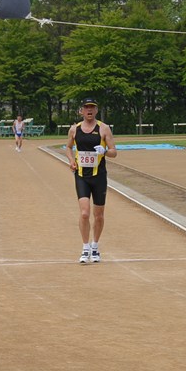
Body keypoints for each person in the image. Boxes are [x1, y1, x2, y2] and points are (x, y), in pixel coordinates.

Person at [65, 98, 117, 264]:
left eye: (92, 107)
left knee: (99, 215)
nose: (89, 110)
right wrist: (71, 161)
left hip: (99, 176)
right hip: (81, 175)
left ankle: (95, 246)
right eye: (86, 107)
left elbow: (114, 152)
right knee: (85, 213)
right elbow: (68, 147)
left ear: (96, 110)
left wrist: (104, 151)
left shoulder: (103, 128)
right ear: (81, 111)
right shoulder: (74, 129)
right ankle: (85, 247)